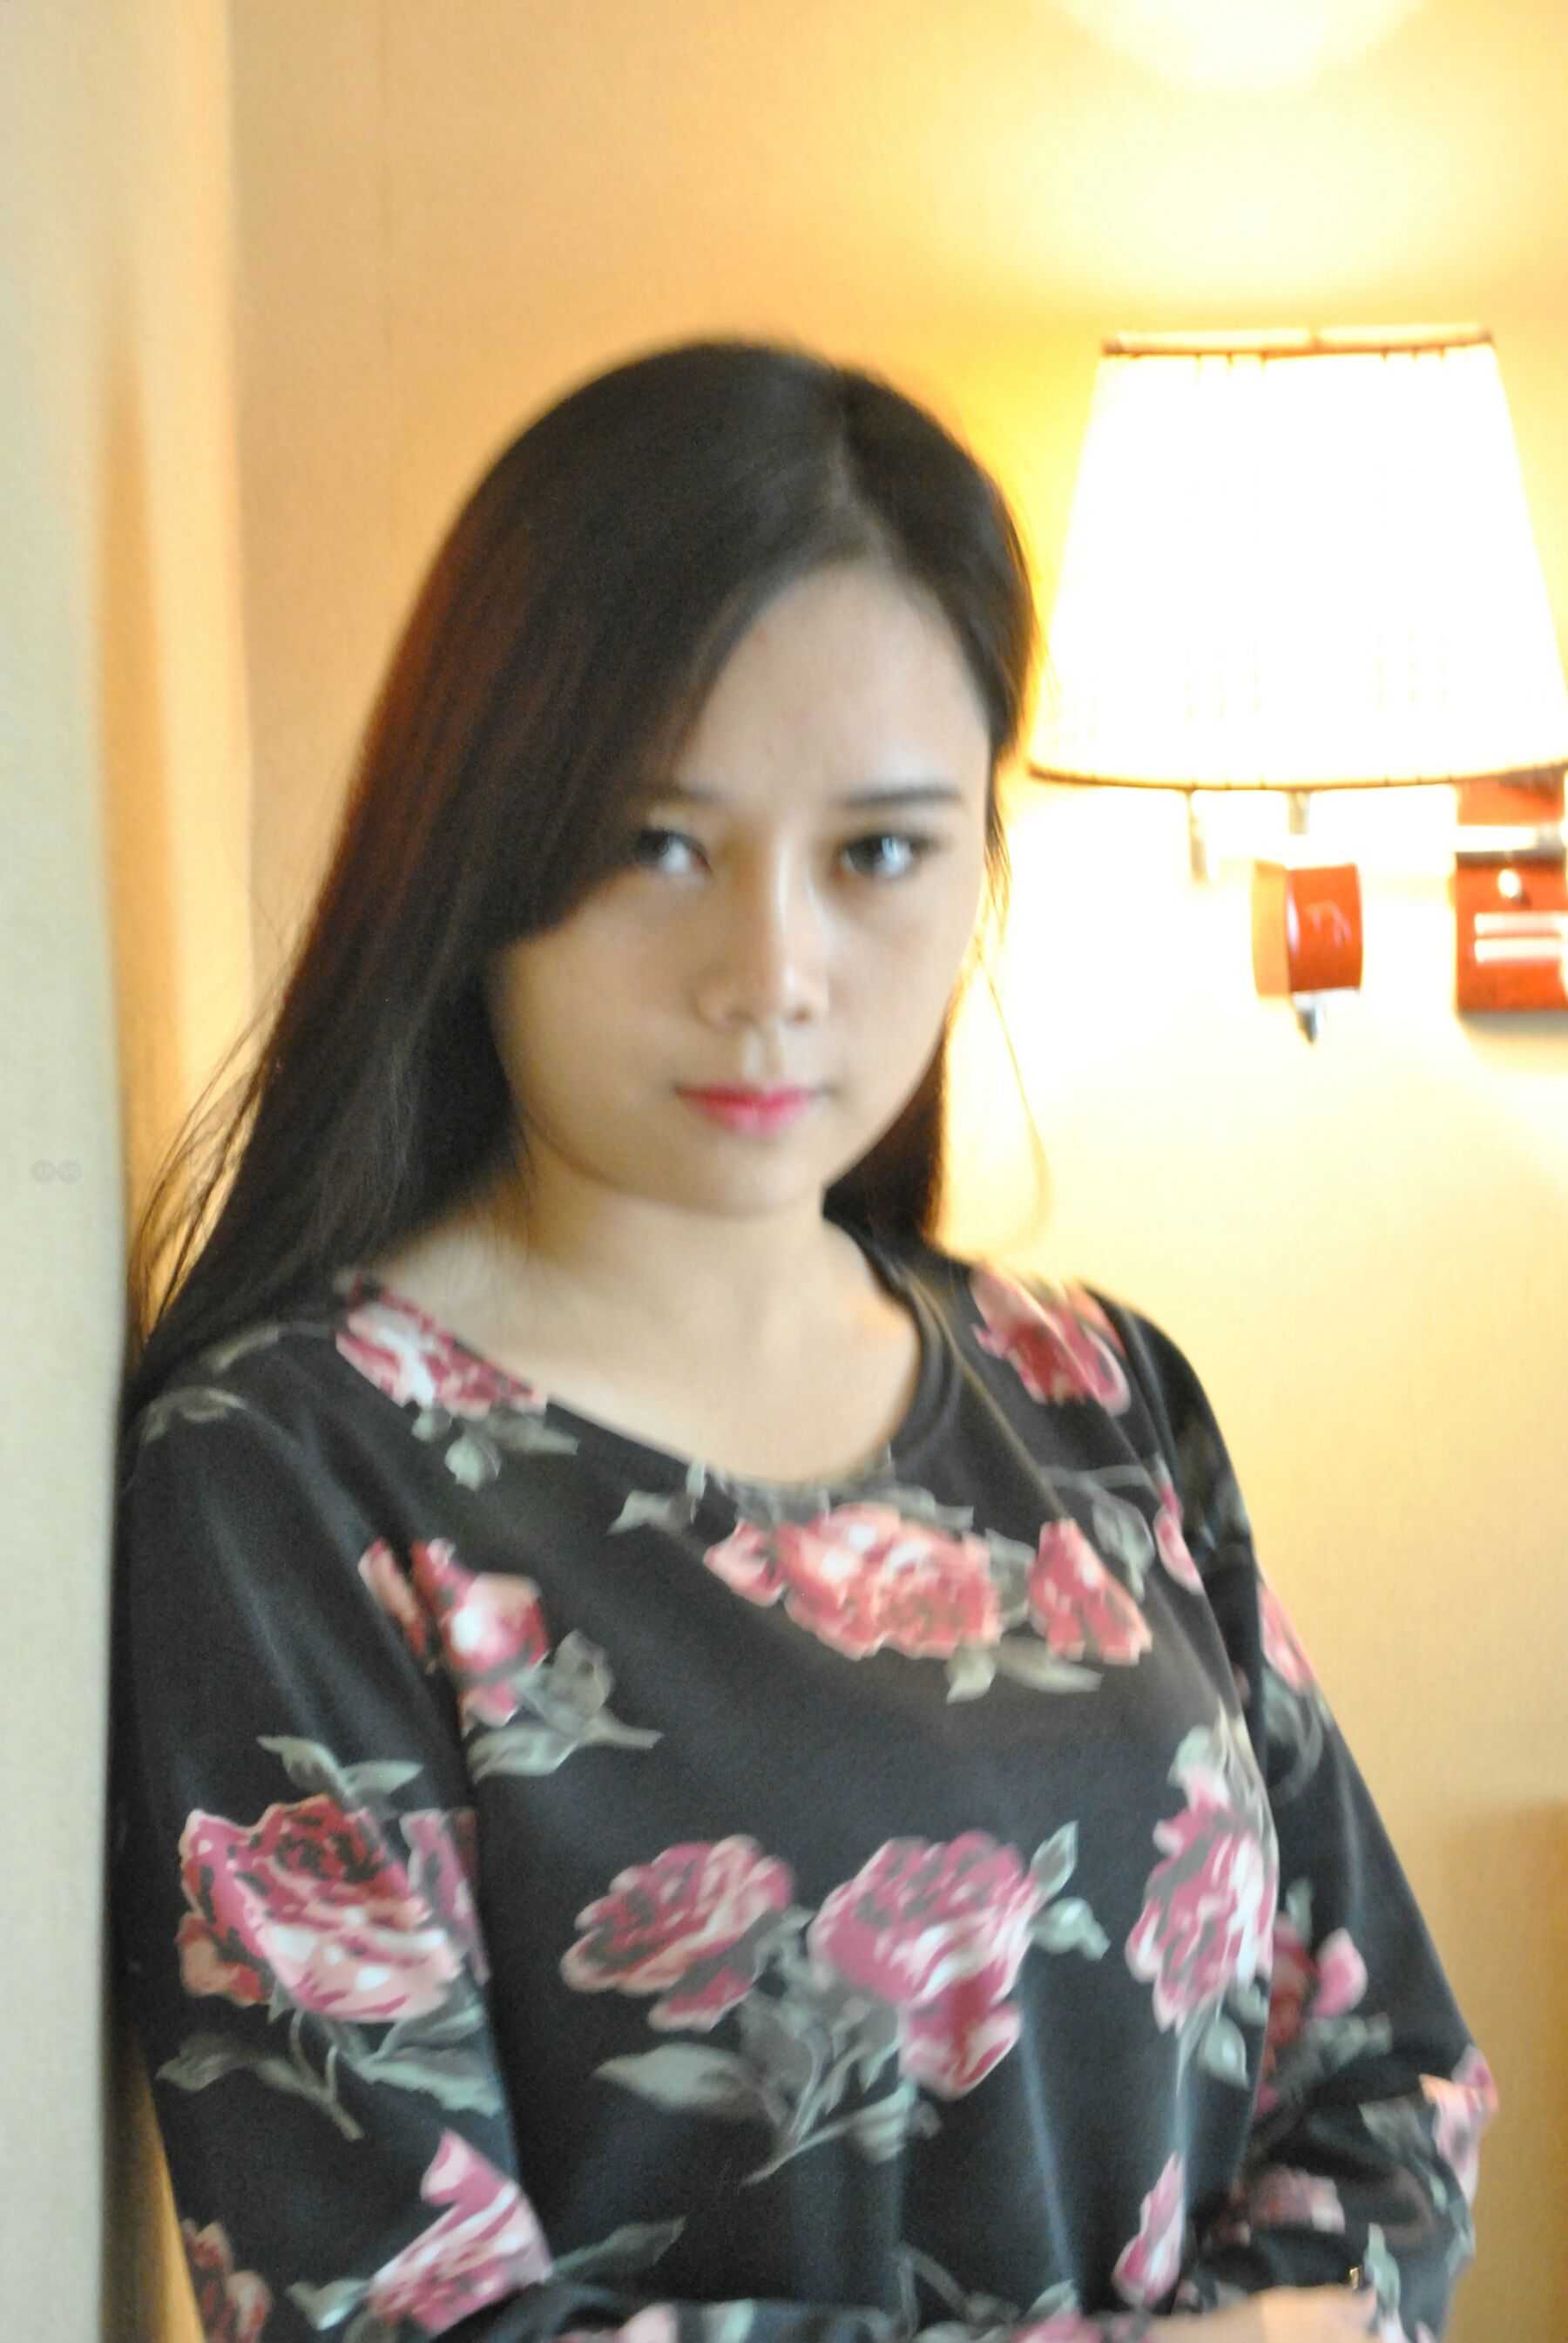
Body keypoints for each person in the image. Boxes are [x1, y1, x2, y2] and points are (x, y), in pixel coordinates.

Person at [113, 341, 1493, 2343]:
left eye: (879, 854)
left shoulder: (1091, 1389)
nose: (771, 971)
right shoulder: (295, 1473)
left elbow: (1390, 2076)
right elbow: (398, 2314)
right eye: (658, 844)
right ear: (479, 849)